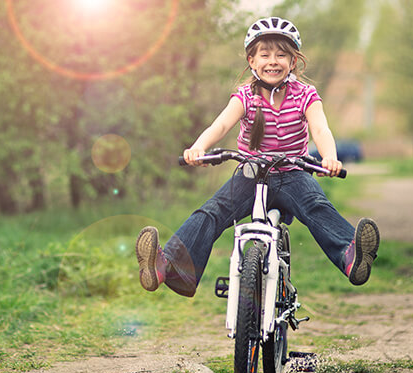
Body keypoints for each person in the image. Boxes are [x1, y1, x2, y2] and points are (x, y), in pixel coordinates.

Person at [135, 16, 379, 297]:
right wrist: (198, 148)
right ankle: (167, 265)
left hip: (293, 174)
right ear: (252, 61)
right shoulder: (245, 96)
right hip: (250, 174)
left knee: (316, 205)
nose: (273, 61)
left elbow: (320, 129)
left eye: (281, 55)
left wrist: (330, 158)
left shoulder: (305, 95)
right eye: (264, 54)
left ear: (293, 62)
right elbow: (221, 125)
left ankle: (351, 257)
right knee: (212, 212)